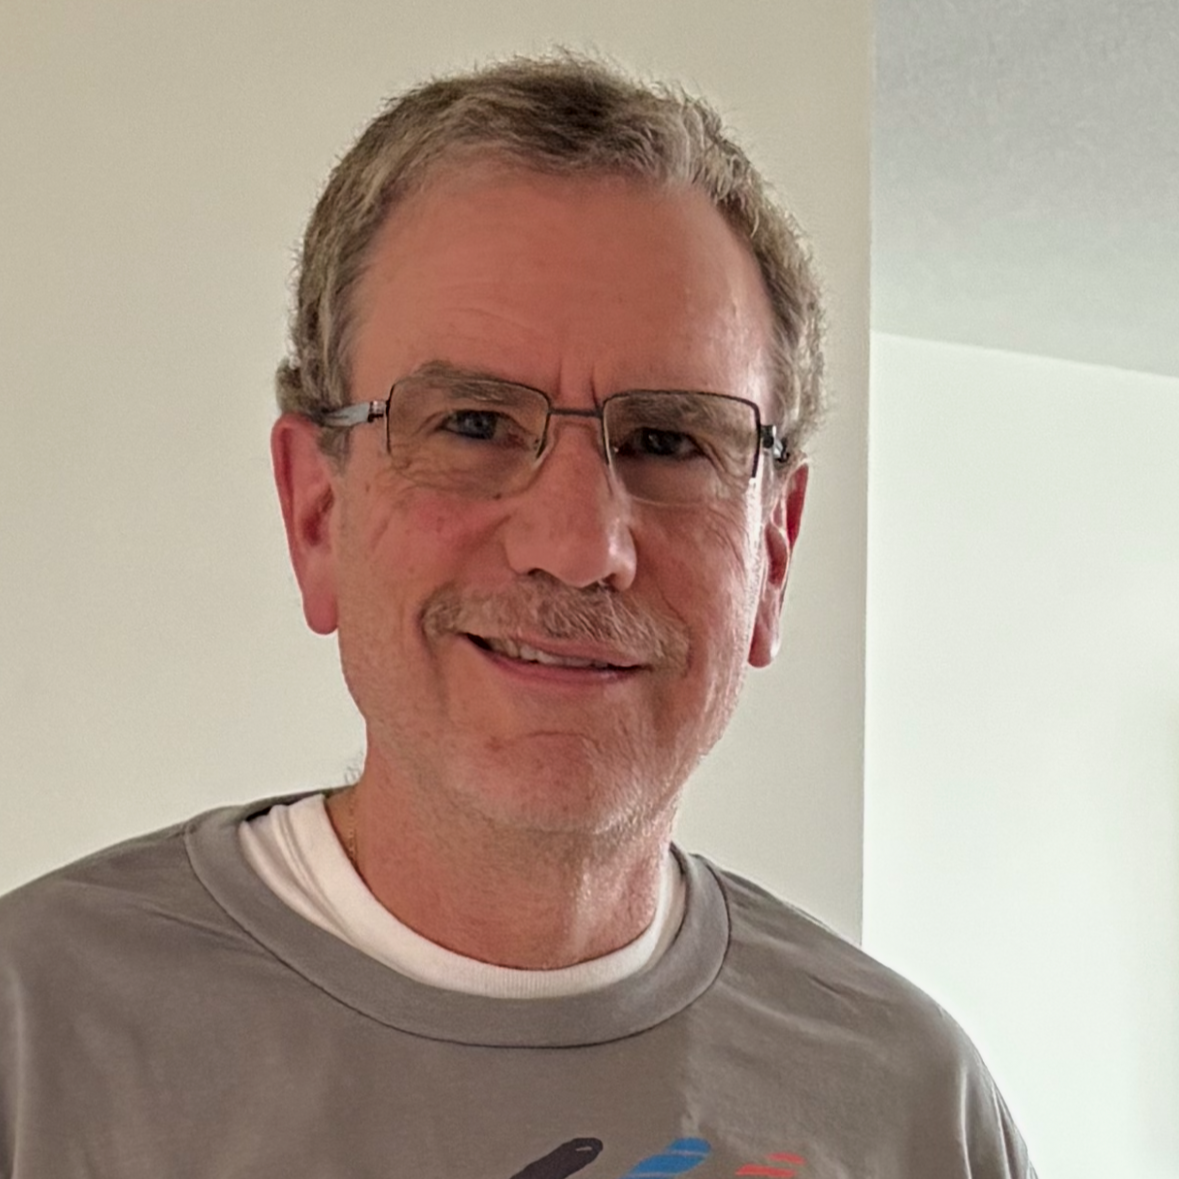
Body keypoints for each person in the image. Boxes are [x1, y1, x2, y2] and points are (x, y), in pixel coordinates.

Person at [0, 53, 1036, 1178]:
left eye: (670, 441)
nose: (581, 546)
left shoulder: (914, 1110)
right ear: (315, 513)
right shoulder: (35, 1046)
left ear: (773, 553)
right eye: (474, 424)